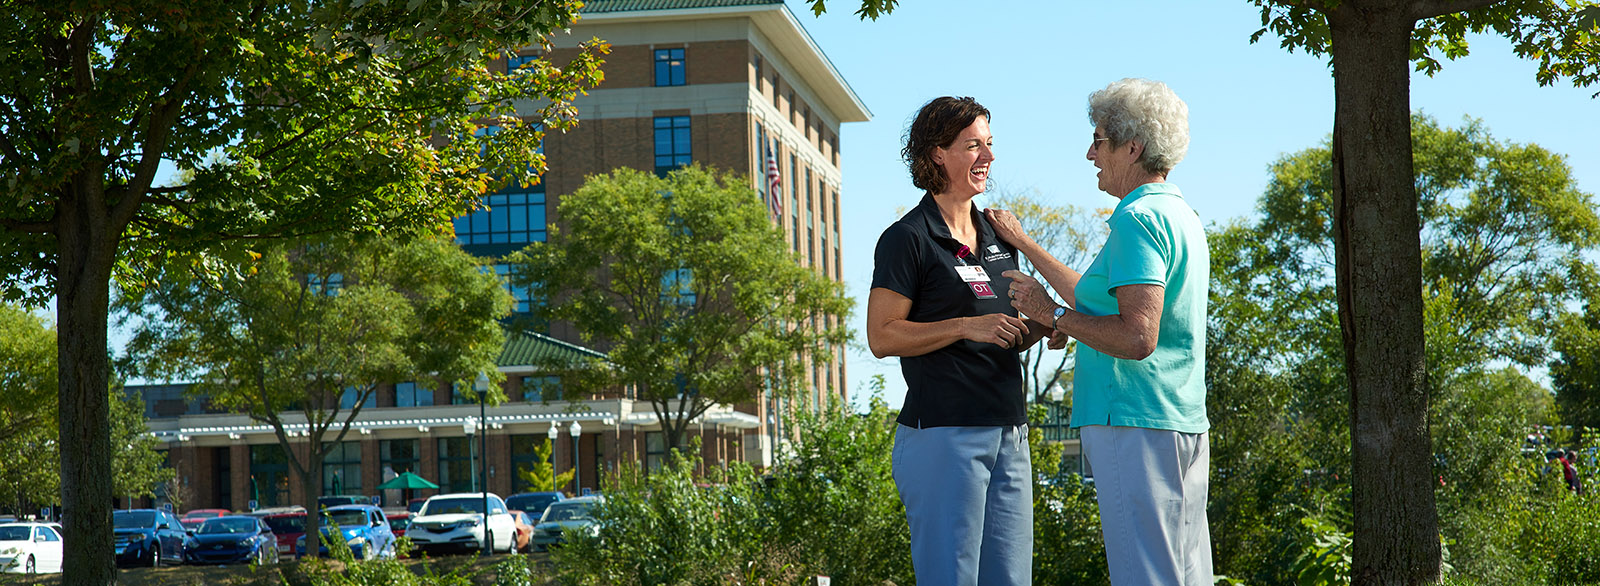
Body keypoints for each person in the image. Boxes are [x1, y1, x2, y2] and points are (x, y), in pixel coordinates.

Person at [987, 78, 1213, 585]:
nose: (1090, 153)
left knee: (1145, 575)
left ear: (1132, 147)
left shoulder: (1137, 221)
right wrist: (1025, 244)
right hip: (1179, 420)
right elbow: (1092, 295)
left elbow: (1136, 337)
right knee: (1185, 573)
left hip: (1132, 422)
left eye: (1099, 139)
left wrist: (1054, 316)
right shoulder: (1179, 215)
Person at [866, 96, 1051, 586]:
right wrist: (965, 327)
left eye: (990, 145)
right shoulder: (907, 238)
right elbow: (882, 336)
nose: (987, 157)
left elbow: (1009, 331)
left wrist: (1051, 325)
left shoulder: (998, 235)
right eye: (973, 146)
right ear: (936, 154)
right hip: (943, 435)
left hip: (1010, 434)